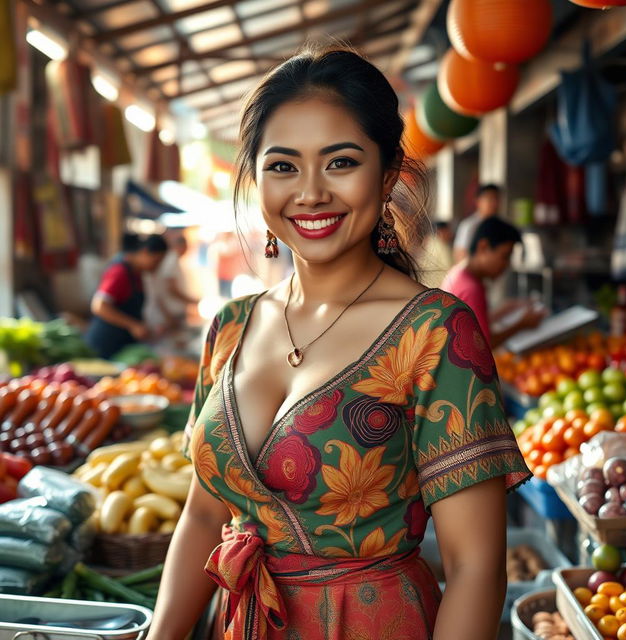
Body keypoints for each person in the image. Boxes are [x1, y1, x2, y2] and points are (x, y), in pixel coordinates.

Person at [146, 46, 530, 640]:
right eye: (283, 166)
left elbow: (475, 567)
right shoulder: (231, 326)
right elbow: (203, 513)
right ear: (255, 179)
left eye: (340, 162)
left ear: (388, 174)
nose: (311, 192)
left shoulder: (433, 331)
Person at [442, 217, 546, 349]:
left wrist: (505, 310)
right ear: (483, 247)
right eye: (505, 256)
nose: (507, 265)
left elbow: (470, 325)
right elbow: (484, 345)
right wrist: (522, 324)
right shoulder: (471, 288)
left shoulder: (459, 272)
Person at [85, 233, 167, 359]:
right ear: (145, 252)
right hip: (106, 345)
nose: (157, 267)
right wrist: (133, 325)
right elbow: (99, 306)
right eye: (156, 261)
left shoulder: (136, 274)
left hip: (123, 345)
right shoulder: (119, 272)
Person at [145, 233, 199, 331]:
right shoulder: (171, 260)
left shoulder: (172, 260)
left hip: (170, 311)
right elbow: (171, 288)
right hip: (171, 311)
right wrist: (192, 301)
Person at [453, 184, 502, 263]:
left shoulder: (502, 227)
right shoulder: (468, 226)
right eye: (490, 198)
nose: (494, 203)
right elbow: (460, 256)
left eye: (496, 198)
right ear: (478, 201)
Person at [418, 220, 453, 288]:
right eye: (447, 231)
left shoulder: (429, 243)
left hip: (426, 286)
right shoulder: (441, 246)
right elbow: (449, 268)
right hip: (439, 287)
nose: (450, 233)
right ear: (441, 232)